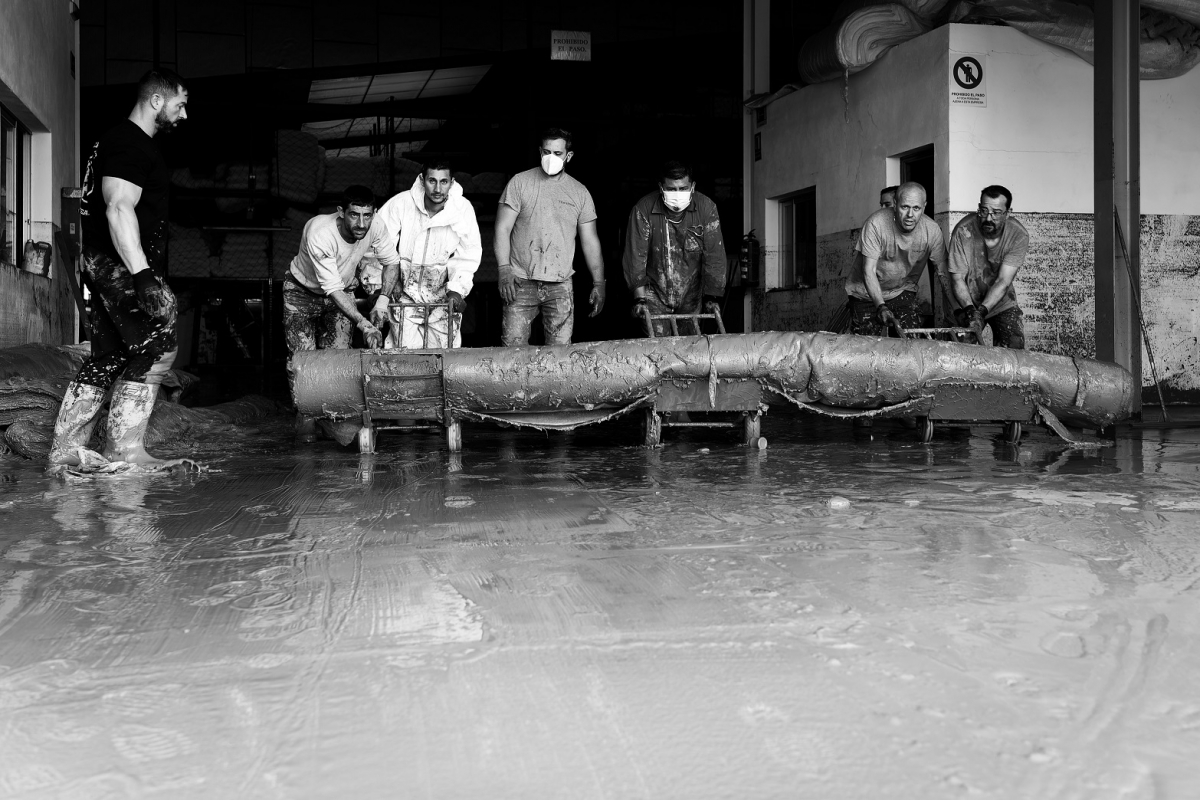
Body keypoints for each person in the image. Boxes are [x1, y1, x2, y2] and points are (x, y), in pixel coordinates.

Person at [48, 69, 189, 468]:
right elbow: (118, 206)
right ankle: (125, 451)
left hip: (105, 265)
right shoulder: (130, 144)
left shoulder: (118, 142)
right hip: (122, 268)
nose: (183, 115)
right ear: (157, 101)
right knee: (158, 350)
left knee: (108, 355)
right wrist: (143, 276)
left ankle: (64, 451)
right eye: (180, 105)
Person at [284, 184, 398, 442]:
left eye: (367, 215)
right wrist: (364, 324)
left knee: (337, 361)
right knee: (303, 363)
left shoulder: (376, 226)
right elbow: (332, 289)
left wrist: (382, 302)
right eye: (354, 214)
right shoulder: (319, 233)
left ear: (374, 213)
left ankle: (333, 419)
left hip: (343, 288)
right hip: (302, 293)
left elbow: (392, 262)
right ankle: (306, 420)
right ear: (340, 212)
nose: (361, 222)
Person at [493, 127, 605, 346]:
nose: (550, 158)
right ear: (540, 152)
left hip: (560, 283)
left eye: (557, 153)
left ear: (568, 156)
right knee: (511, 352)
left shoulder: (579, 192)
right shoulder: (520, 183)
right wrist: (504, 269)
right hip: (519, 281)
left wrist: (599, 283)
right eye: (546, 152)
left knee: (559, 355)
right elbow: (502, 228)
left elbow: (590, 241)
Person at [372, 160, 482, 349]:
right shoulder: (401, 203)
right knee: (403, 354)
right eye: (432, 181)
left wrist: (457, 289)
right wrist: (380, 288)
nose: (438, 188)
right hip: (404, 296)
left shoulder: (462, 209)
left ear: (452, 182)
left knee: (444, 356)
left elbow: (468, 253)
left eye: (444, 182)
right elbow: (377, 244)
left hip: (442, 298)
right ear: (422, 180)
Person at [622, 160, 727, 337]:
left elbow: (715, 255)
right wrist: (639, 298)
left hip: (691, 292)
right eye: (671, 189)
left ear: (692, 186)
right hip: (653, 291)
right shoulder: (644, 210)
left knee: (690, 346)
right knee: (658, 349)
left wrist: (712, 296)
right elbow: (635, 258)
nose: (677, 194)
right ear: (661, 187)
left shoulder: (706, 208)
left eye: (683, 188)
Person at [845, 181, 946, 337]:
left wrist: (961, 309)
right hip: (864, 293)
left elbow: (944, 272)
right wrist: (881, 307)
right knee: (867, 347)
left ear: (924, 206)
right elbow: (868, 270)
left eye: (916, 208)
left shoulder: (931, 230)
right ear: (895, 204)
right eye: (905, 207)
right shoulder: (875, 224)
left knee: (910, 341)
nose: (910, 215)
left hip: (901, 291)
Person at [947, 185, 1029, 349]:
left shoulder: (1018, 235)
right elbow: (957, 278)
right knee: (960, 351)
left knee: (1014, 348)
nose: (988, 218)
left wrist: (982, 312)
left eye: (996, 213)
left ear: (1008, 213)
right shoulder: (963, 230)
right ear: (978, 208)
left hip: (1001, 301)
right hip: (966, 301)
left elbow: (1003, 281)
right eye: (984, 211)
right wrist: (971, 312)